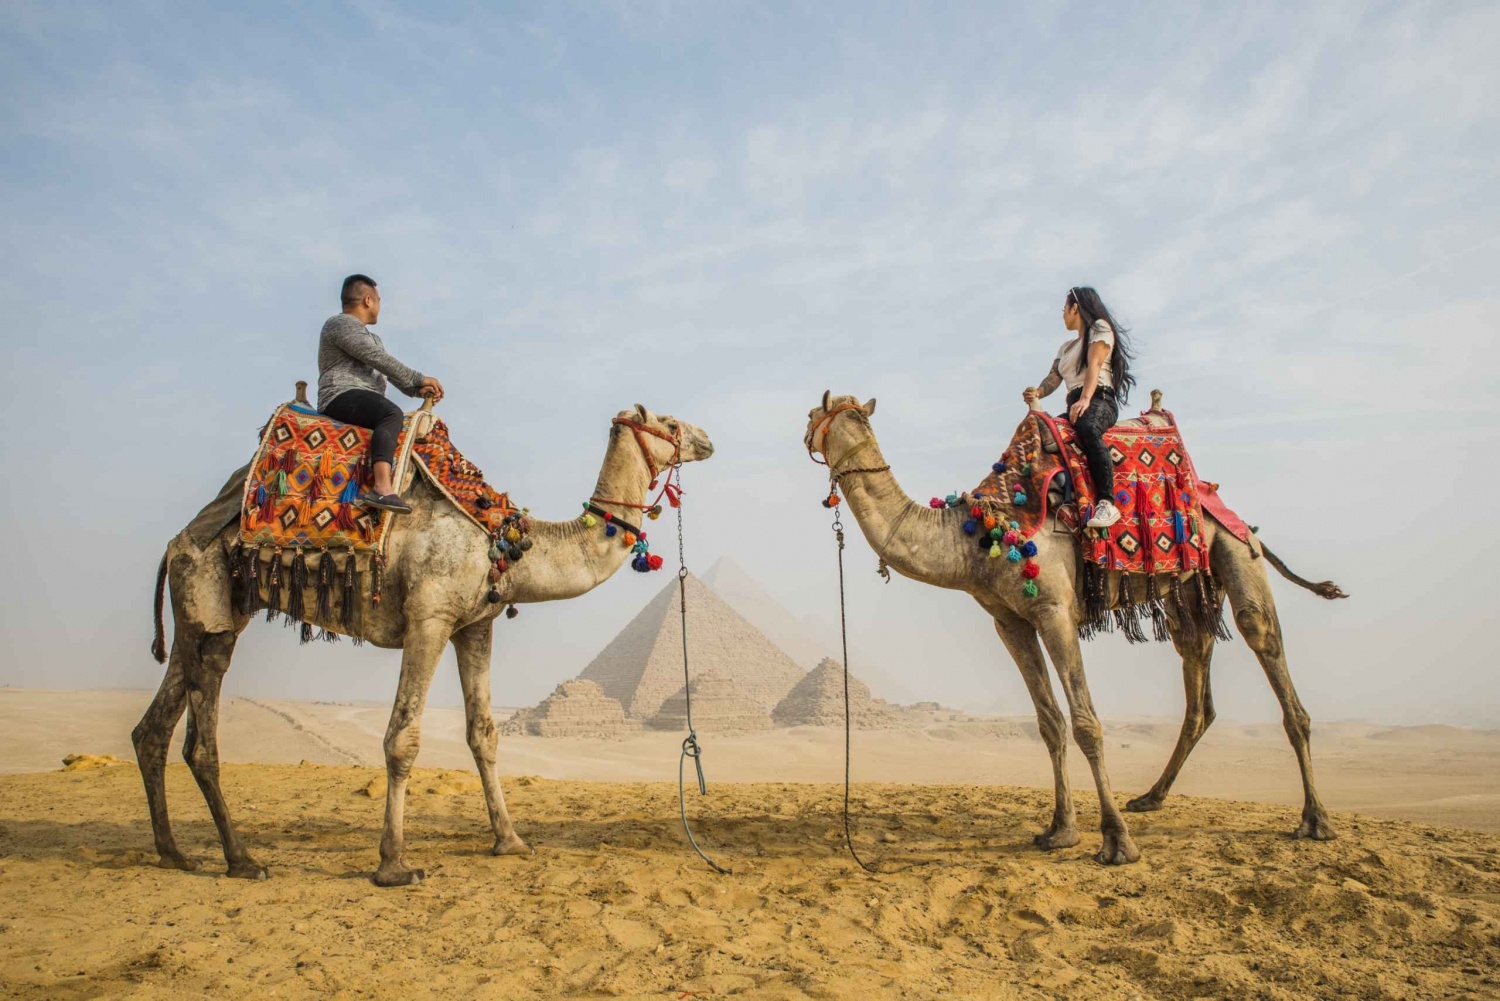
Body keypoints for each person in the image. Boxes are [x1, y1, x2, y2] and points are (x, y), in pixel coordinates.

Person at [317, 274, 444, 515]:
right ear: (368, 300)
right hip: (341, 395)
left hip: (364, 398)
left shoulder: (372, 338)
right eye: (378, 299)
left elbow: (385, 371)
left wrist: (417, 390)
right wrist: (419, 377)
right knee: (390, 413)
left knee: (390, 413)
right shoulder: (340, 324)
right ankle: (382, 488)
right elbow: (376, 358)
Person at [1023, 285, 1136, 529]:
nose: (1063, 314)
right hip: (1075, 402)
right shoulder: (1065, 348)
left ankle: (1107, 502)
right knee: (1047, 434)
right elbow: (1053, 378)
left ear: (1076, 308)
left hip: (1100, 399)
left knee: (1087, 428)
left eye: (1065, 309)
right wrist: (1038, 392)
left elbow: (1094, 364)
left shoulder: (1100, 329)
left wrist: (1085, 399)